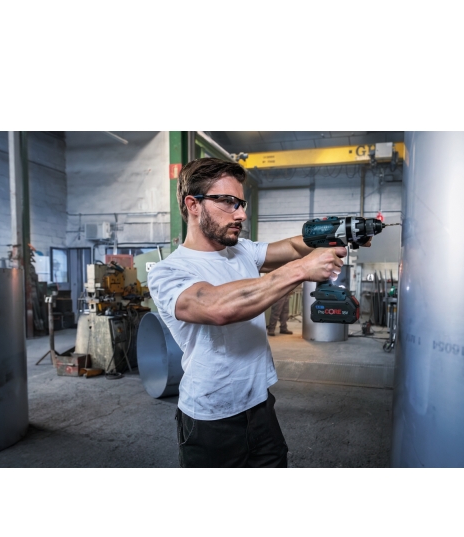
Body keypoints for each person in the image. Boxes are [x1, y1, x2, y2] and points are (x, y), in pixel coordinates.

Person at [148, 157, 348, 468]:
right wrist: (301, 270)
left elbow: (293, 248)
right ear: (193, 204)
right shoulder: (168, 271)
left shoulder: (241, 250)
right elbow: (217, 307)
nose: (241, 213)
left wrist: (340, 233)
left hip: (260, 405)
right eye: (228, 202)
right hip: (210, 419)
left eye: (241, 203)